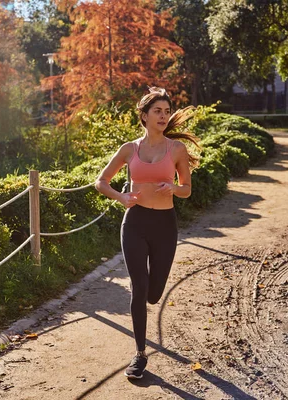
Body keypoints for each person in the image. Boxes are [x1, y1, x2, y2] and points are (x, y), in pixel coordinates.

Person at [95, 87, 201, 379]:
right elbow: (101, 181)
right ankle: (140, 354)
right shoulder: (130, 149)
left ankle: (148, 300)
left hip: (165, 225)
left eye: (167, 111)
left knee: (154, 294)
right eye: (158, 111)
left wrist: (174, 188)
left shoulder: (177, 150)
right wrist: (122, 197)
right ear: (144, 115)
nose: (163, 116)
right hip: (135, 223)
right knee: (138, 287)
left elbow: (187, 190)